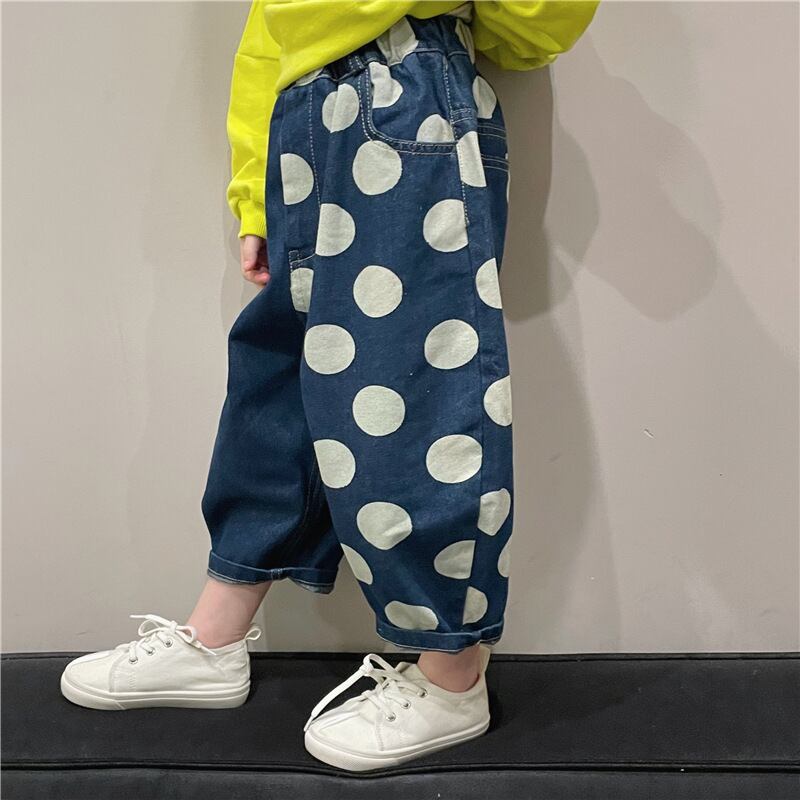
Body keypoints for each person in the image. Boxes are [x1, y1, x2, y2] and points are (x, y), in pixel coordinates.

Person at [60, 0, 598, 771]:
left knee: (412, 390)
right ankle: (217, 635)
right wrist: (254, 189)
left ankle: (452, 673)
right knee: (278, 385)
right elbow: (268, 36)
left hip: (408, 93)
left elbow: (536, 27)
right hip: (302, 123)